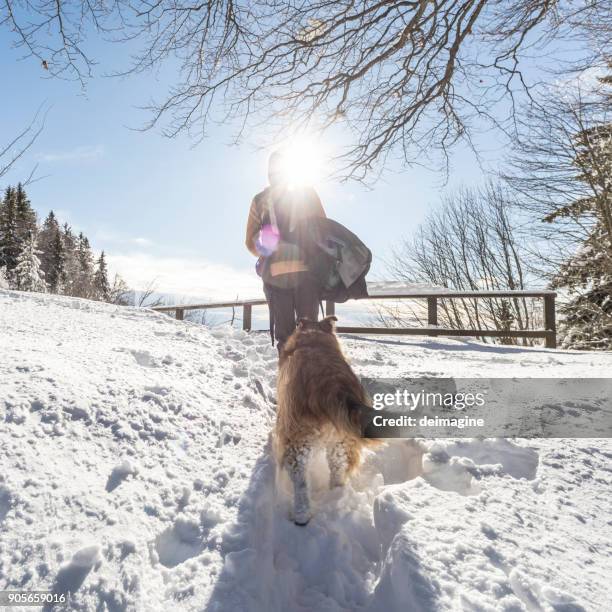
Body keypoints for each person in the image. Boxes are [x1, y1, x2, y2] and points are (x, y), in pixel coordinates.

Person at [245, 151, 326, 353]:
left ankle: (288, 382)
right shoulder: (307, 194)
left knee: (285, 340)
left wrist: (272, 244)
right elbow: (324, 232)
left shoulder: (261, 200)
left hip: (276, 277)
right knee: (309, 336)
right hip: (307, 275)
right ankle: (310, 382)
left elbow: (250, 243)